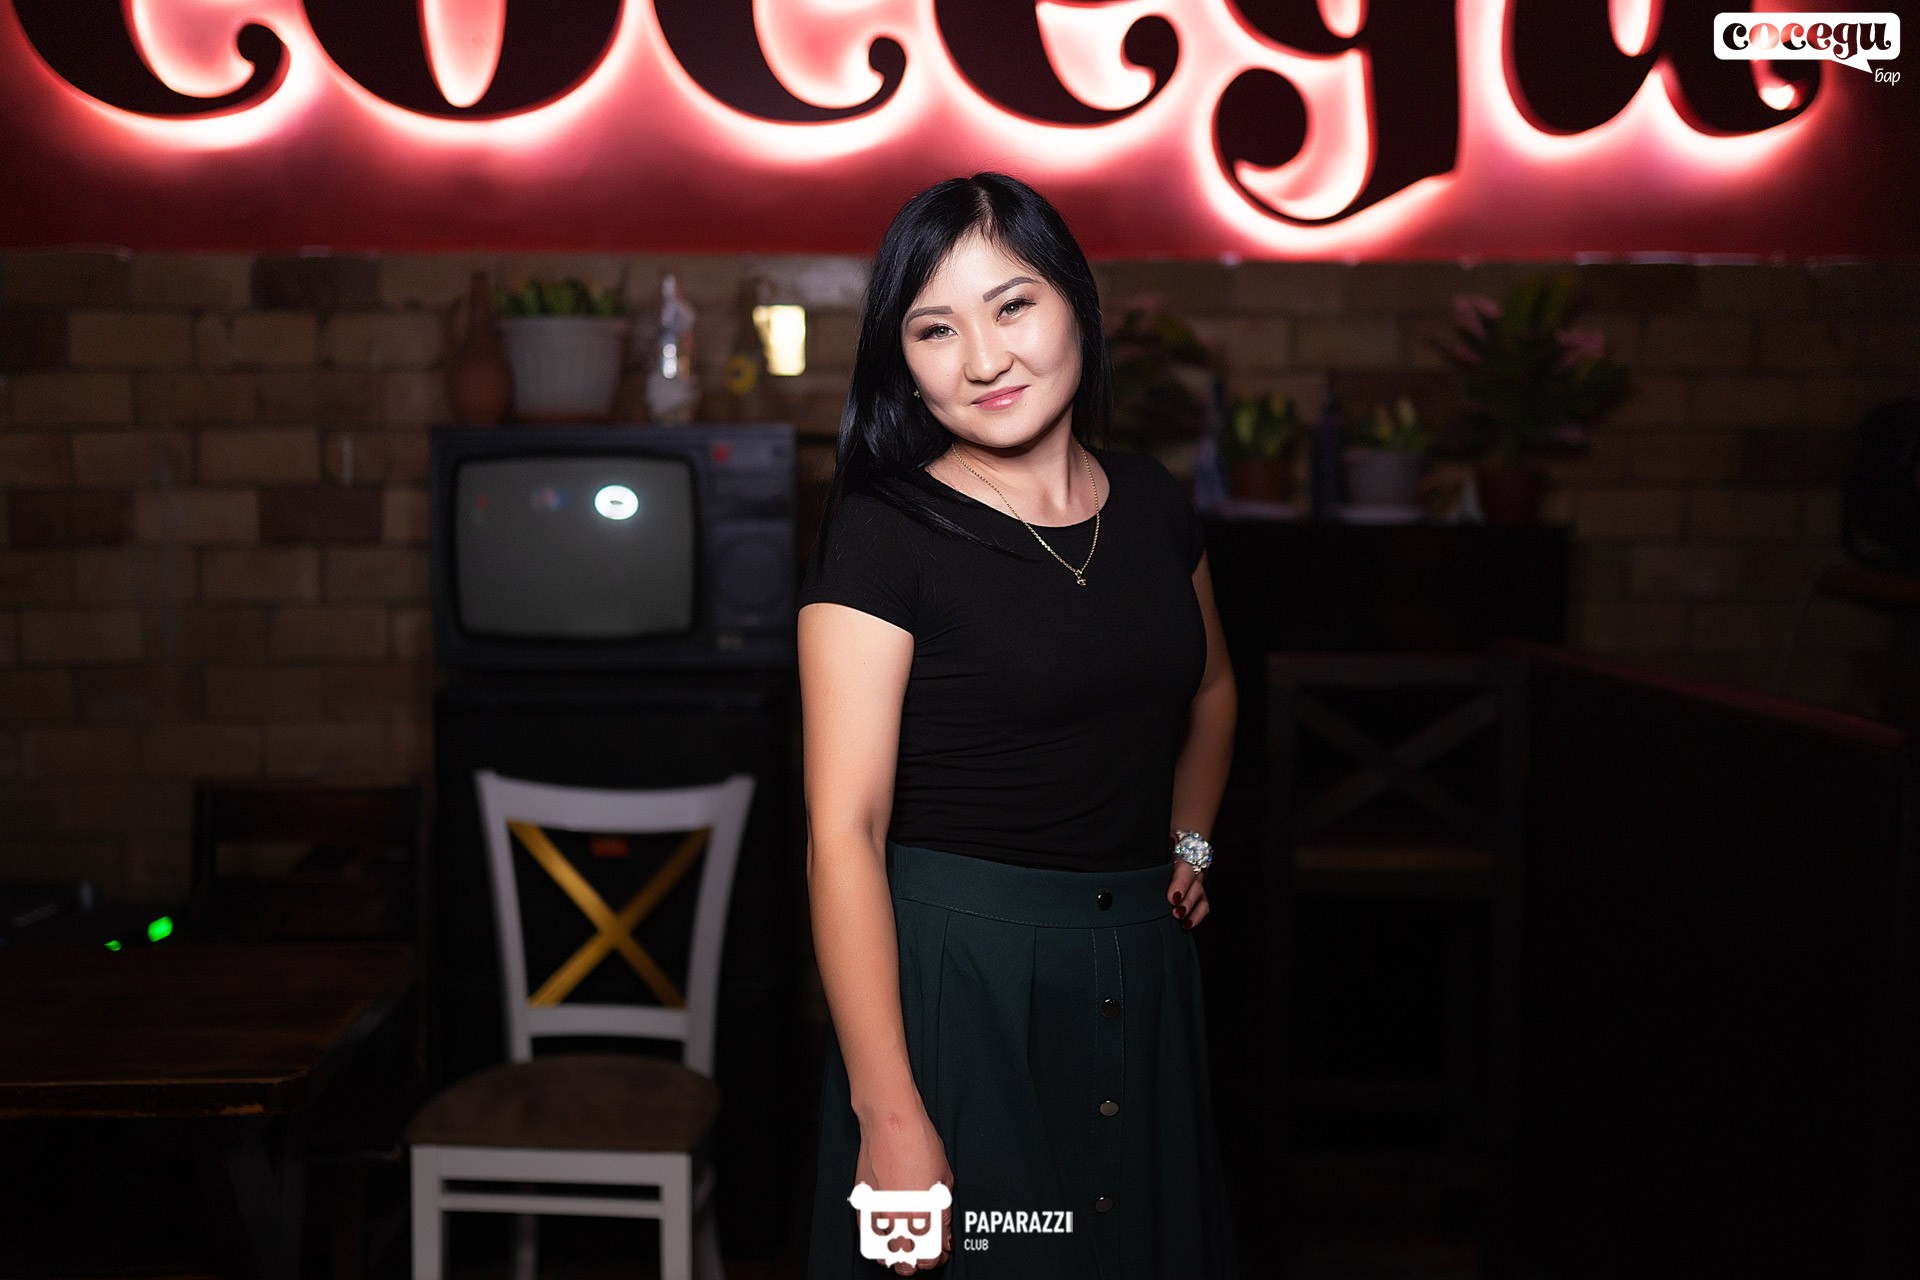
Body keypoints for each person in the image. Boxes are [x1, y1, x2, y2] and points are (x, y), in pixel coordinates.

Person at [798, 171, 1240, 1279]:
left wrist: (1191, 839)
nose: (985, 358)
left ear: (1075, 301)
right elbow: (842, 830)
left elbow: (1212, 688)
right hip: (962, 991)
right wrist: (888, 1114)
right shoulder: (882, 530)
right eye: (936, 328)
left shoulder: (1153, 502)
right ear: (902, 358)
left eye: (1012, 306)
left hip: (1144, 970)